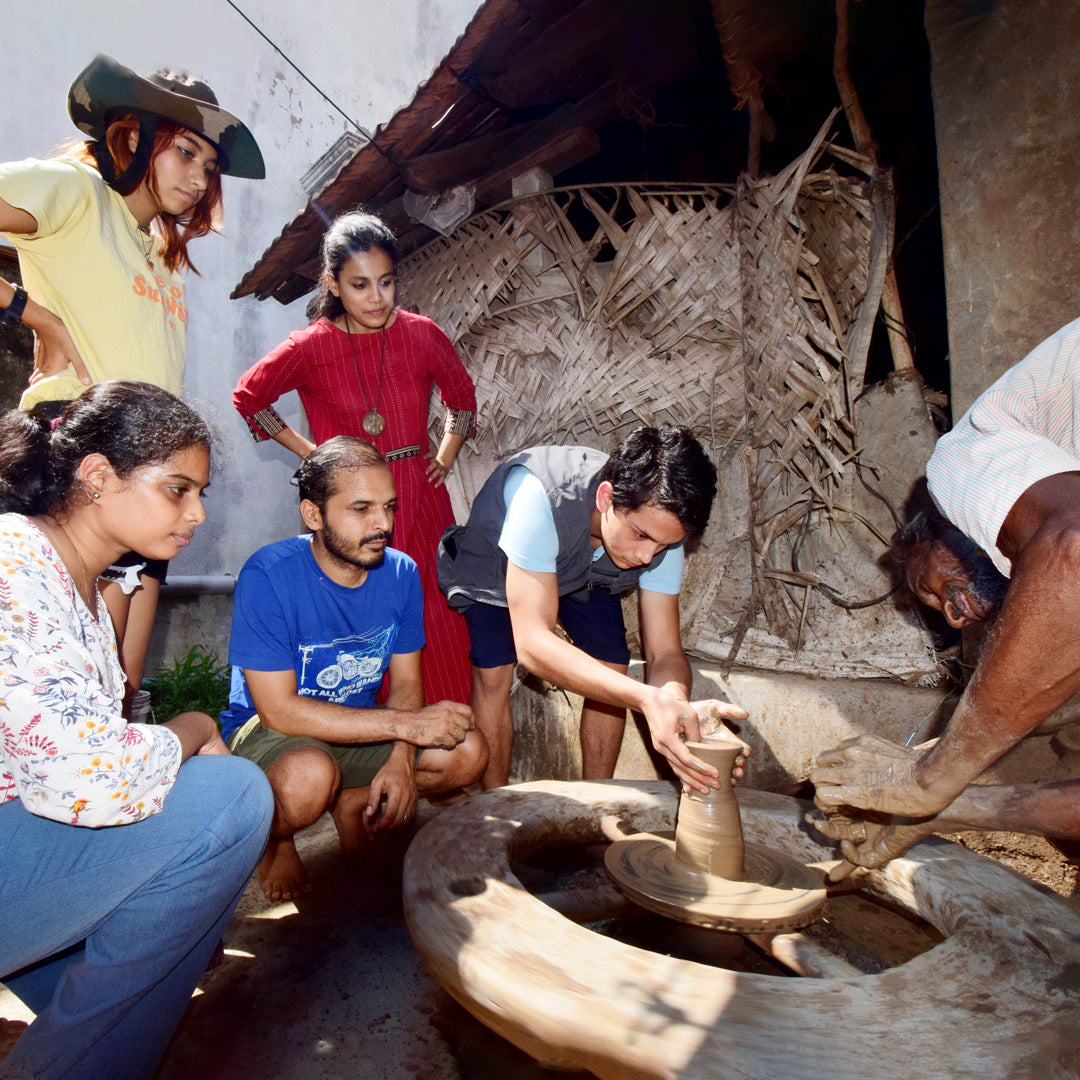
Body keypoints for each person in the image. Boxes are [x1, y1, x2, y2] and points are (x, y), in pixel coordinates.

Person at [0, 381, 273, 1080]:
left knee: (166, 933)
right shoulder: (13, 563)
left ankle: (90, 1037)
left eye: (200, 492)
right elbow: (91, 774)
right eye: (177, 489)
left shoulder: (85, 590)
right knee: (235, 796)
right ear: (97, 477)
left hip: (22, 832)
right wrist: (193, 723)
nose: (199, 513)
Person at [0, 53, 265, 706]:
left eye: (210, 165)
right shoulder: (75, 191)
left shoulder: (160, 253)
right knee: (70, 697)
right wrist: (35, 316)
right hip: (77, 466)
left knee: (121, 690)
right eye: (185, 152)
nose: (201, 178)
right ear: (133, 135)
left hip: (149, 484)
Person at [812, 316, 1080, 867]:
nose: (955, 620)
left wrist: (932, 780)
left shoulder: (961, 462)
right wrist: (947, 808)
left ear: (940, 522)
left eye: (928, 590)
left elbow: (1074, 549)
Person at [219, 437, 487, 902]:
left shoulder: (400, 573)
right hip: (272, 732)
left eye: (388, 506)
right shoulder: (269, 574)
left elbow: (405, 682)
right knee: (307, 780)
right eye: (361, 508)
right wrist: (406, 726)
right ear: (313, 516)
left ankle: (352, 802)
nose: (382, 523)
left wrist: (402, 760)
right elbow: (279, 711)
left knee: (466, 751)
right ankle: (275, 842)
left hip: (357, 726)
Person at [232, 211, 476, 707]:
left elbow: (463, 398)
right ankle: (362, 739)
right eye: (360, 284)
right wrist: (314, 456)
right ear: (333, 283)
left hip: (419, 497)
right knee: (358, 614)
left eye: (385, 282)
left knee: (434, 614)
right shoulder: (310, 345)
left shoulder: (422, 333)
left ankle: (444, 743)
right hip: (348, 505)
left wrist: (445, 456)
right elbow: (249, 395)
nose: (376, 297)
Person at [436, 424, 749, 792]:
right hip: (501, 561)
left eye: (664, 546)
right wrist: (647, 698)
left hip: (591, 563)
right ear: (606, 499)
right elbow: (533, 645)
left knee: (611, 661)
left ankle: (598, 802)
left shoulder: (662, 533)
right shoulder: (539, 497)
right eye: (641, 535)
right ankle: (496, 801)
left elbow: (665, 651)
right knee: (495, 671)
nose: (648, 556)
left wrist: (673, 702)